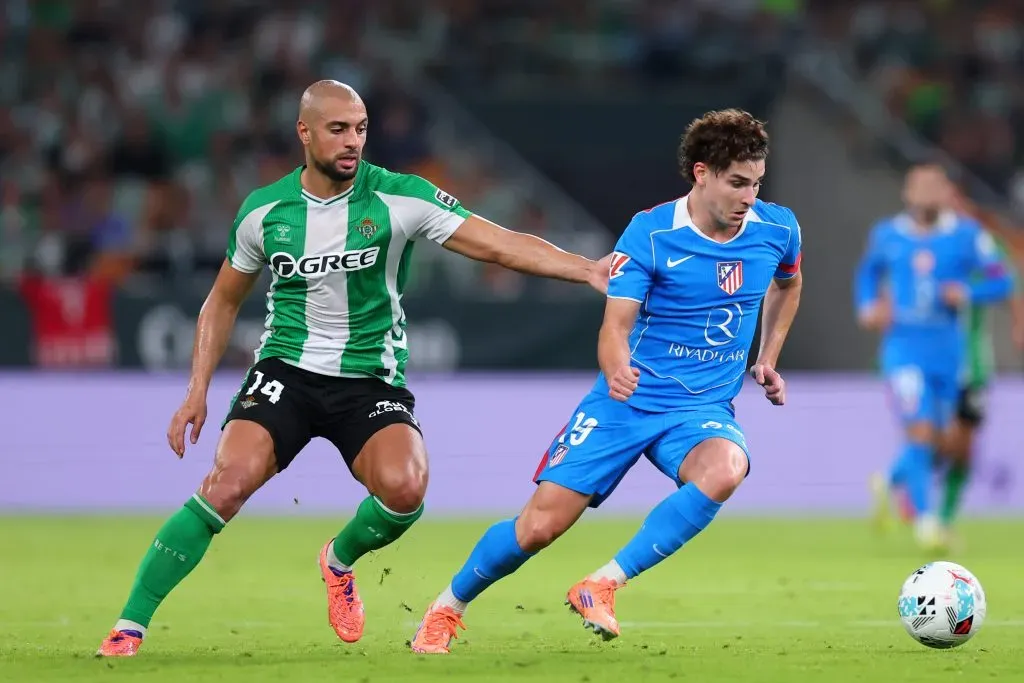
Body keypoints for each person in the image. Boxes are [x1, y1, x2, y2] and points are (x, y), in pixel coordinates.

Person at [96, 80, 610, 657]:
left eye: (360, 128)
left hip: (370, 381)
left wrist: (585, 269)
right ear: (305, 132)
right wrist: (196, 392)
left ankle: (338, 560)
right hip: (285, 372)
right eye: (339, 129)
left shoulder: (400, 197)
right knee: (227, 483)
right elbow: (221, 301)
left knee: (406, 490)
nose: (353, 141)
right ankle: (129, 626)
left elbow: (497, 243)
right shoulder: (264, 212)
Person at [409, 109, 804, 654]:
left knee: (726, 468)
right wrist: (616, 366)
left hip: (702, 408)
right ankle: (446, 609)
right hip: (627, 399)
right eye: (738, 183)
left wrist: (768, 356)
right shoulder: (650, 233)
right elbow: (614, 326)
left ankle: (602, 584)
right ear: (701, 173)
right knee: (538, 528)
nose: (749, 197)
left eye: (757, 183)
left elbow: (789, 282)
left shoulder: (777, 228)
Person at [857, 163, 1013, 549]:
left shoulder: (967, 236)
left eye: (934, 186)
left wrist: (969, 293)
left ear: (946, 192)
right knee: (921, 430)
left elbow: (1003, 278)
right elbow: (868, 273)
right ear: (907, 193)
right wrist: (867, 305)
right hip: (903, 350)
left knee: (946, 442)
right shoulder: (888, 235)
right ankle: (926, 523)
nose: (927, 193)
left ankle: (891, 479)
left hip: (951, 353)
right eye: (919, 186)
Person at [935, 190, 1024, 540]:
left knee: (965, 443)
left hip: (972, 361)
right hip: (933, 360)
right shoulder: (925, 246)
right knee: (932, 435)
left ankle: (941, 519)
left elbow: (1007, 282)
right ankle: (903, 482)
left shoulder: (979, 246)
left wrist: (1017, 321)